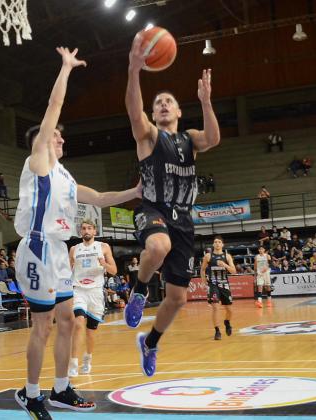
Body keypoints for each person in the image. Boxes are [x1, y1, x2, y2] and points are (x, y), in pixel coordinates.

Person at [13, 47, 140, 418]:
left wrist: (134, 192)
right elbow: (54, 108)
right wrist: (66, 68)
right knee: (43, 326)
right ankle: (31, 394)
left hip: (57, 252)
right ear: (44, 140)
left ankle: (61, 388)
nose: (62, 141)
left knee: (67, 320)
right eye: (57, 138)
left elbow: (99, 197)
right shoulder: (38, 162)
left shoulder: (64, 176)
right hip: (37, 248)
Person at [123, 32, 221, 377]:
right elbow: (135, 114)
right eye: (158, 102)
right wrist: (135, 71)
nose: (163, 104)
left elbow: (213, 139)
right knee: (158, 245)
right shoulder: (150, 136)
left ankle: (149, 343)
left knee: (178, 298)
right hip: (153, 208)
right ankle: (138, 288)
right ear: (154, 113)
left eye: (169, 101)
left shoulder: (189, 138)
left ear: (179, 110)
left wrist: (206, 101)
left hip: (184, 220)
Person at [68, 219, 117, 377]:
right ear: (80, 232)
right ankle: (73, 363)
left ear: (95, 231)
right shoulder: (74, 249)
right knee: (78, 323)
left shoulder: (103, 247)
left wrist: (104, 264)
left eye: (89, 228)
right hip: (79, 290)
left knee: (91, 332)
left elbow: (114, 270)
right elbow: (68, 271)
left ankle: (88, 359)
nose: (86, 231)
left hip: (95, 292)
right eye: (84, 228)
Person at [200, 236, 236, 340]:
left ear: (222, 244)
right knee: (215, 307)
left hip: (224, 284)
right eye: (215, 242)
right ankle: (217, 331)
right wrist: (203, 282)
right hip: (213, 285)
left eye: (219, 242)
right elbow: (202, 270)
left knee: (229, 310)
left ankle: (227, 322)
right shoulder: (208, 256)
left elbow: (233, 271)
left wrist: (225, 265)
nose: (217, 244)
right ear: (213, 244)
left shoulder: (227, 256)